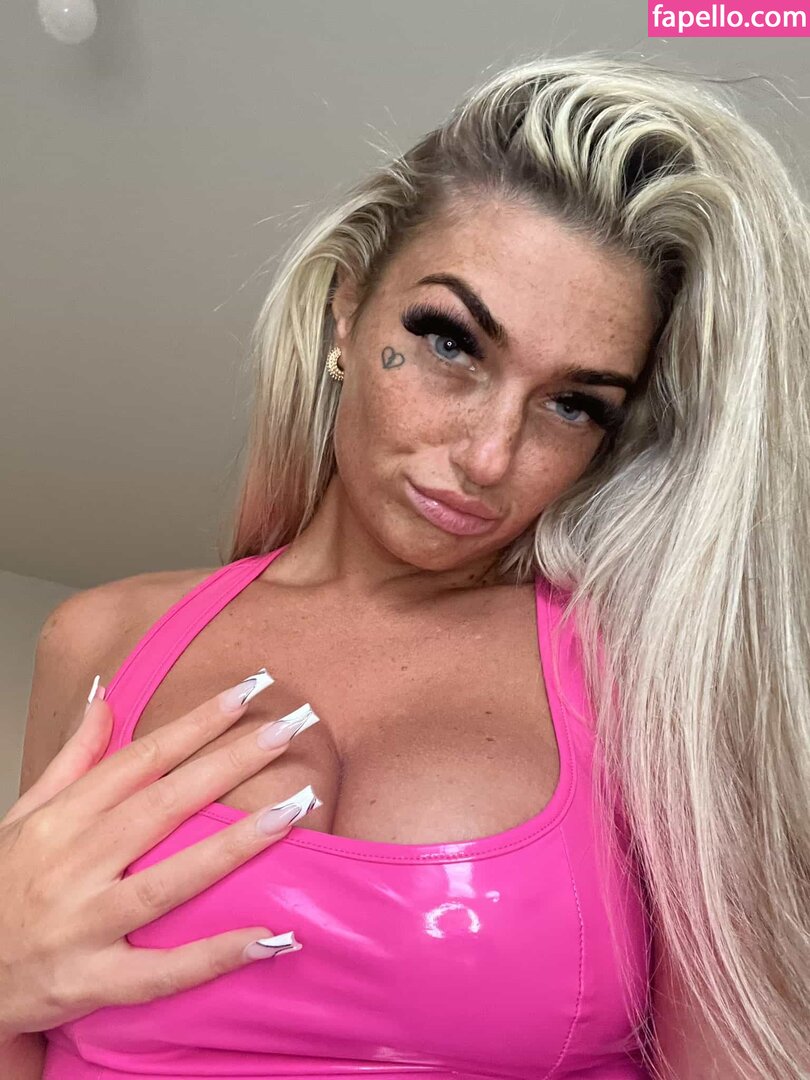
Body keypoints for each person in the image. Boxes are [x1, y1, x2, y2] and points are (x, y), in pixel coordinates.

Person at [1, 48, 807, 1080]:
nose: (489, 456)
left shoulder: (651, 687)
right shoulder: (99, 641)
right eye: (452, 343)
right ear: (348, 309)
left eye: (573, 404)